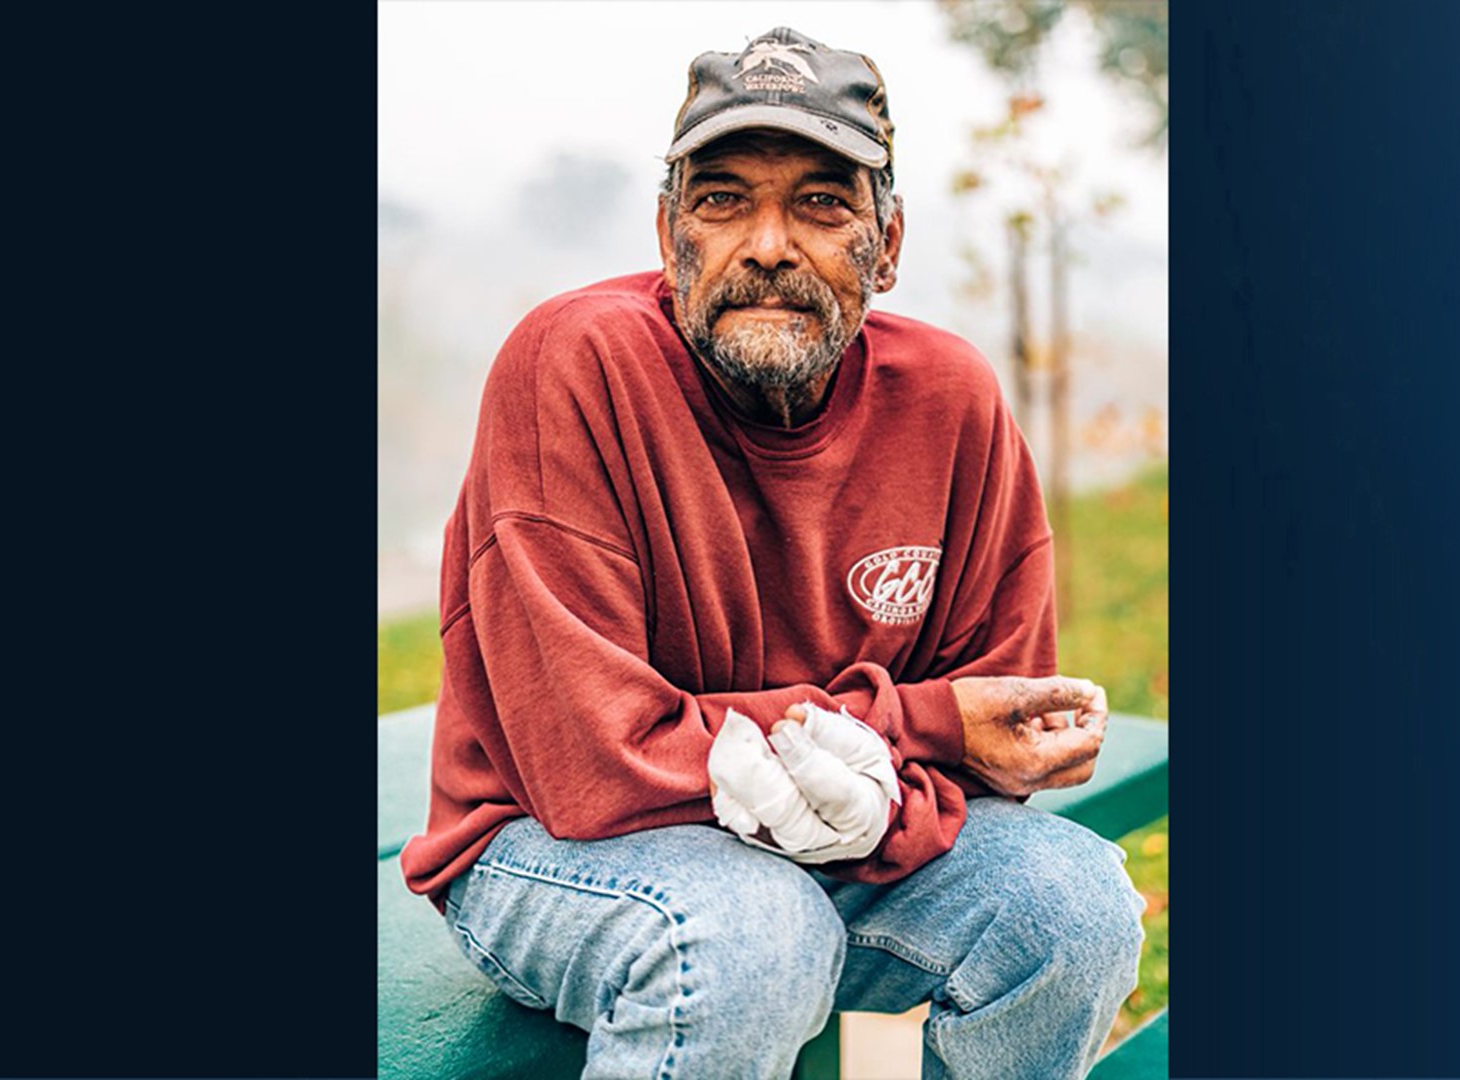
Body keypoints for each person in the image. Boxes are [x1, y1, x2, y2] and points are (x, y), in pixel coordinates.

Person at [399, 26, 1146, 1079]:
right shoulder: (572, 367)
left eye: (821, 204)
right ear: (670, 235)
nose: (765, 244)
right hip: (550, 848)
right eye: (721, 200)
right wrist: (912, 731)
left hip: (845, 841)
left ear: (887, 246)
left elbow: (997, 743)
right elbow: (592, 769)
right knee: (750, 935)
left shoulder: (952, 401)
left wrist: (889, 793)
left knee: (1070, 909)